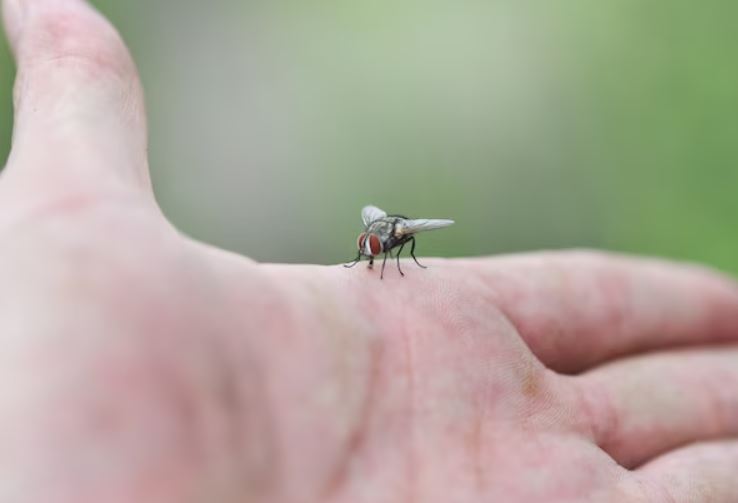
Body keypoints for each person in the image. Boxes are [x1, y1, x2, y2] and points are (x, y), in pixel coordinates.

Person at [1, 1, 737, 502]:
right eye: (372, 246)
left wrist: (394, 258)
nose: (371, 250)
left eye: (374, 246)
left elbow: (392, 244)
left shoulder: (393, 238)